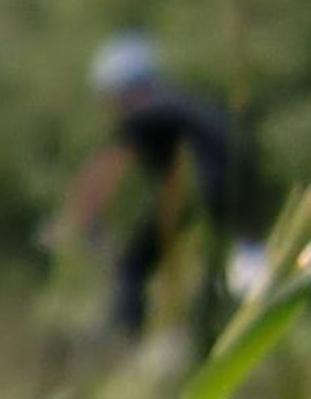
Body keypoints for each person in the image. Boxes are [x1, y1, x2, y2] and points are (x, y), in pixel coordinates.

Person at [57, 34, 248, 341]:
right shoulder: (184, 103)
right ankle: (213, 329)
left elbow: (107, 166)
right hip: (236, 194)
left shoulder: (146, 112)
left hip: (201, 194)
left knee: (133, 264)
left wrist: (82, 219)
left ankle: (123, 336)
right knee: (215, 266)